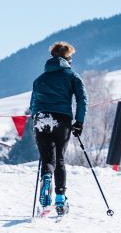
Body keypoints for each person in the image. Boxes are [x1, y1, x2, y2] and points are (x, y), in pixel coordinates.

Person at [27, 41, 87, 216]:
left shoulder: (39, 79)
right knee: (59, 159)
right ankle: (60, 199)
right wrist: (79, 122)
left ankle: (46, 178)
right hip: (62, 119)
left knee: (47, 159)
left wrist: (37, 118)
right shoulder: (72, 76)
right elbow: (82, 99)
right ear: (68, 58)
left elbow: (33, 105)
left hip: (41, 118)